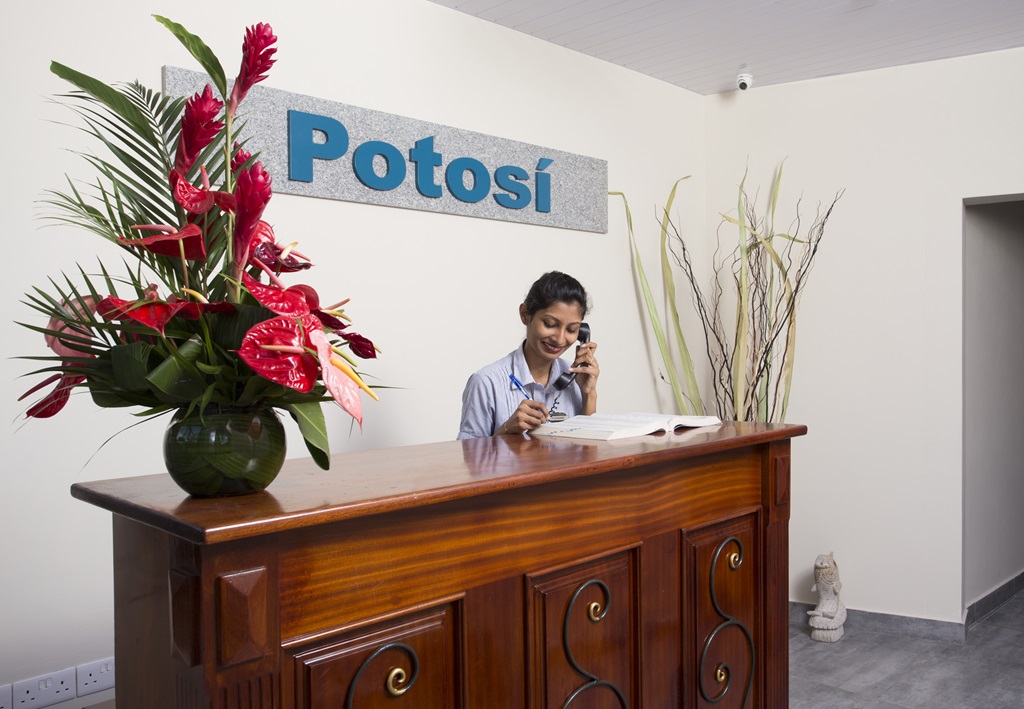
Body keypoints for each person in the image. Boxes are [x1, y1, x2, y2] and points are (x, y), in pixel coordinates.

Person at [458, 271, 600, 439]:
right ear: (525, 315)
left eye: (571, 329)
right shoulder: (486, 382)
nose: (560, 339)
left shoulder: (576, 378)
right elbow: (469, 454)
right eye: (550, 324)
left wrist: (589, 393)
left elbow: (591, 450)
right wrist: (507, 430)